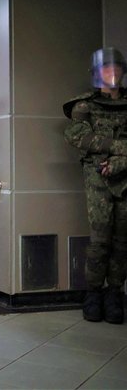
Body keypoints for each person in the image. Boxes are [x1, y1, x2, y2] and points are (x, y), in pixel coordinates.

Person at [63, 47, 127, 324]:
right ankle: (93, 293)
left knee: (122, 240)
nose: (112, 73)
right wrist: (120, 149)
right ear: (96, 73)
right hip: (97, 176)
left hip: (124, 176)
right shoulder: (84, 105)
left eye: (116, 68)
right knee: (100, 239)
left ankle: (114, 293)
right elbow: (79, 137)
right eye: (106, 68)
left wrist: (119, 161)